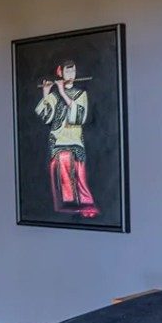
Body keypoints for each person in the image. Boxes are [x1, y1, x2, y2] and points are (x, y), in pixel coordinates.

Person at [35, 60, 98, 218]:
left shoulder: (80, 94)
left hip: (74, 140)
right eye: (68, 71)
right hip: (58, 141)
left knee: (78, 174)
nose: (71, 75)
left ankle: (85, 205)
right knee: (61, 171)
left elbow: (79, 117)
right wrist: (46, 92)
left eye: (73, 71)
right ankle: (67, 207)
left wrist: (63, 92)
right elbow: (46, 118)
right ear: (60, 73)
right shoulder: (54, 95)